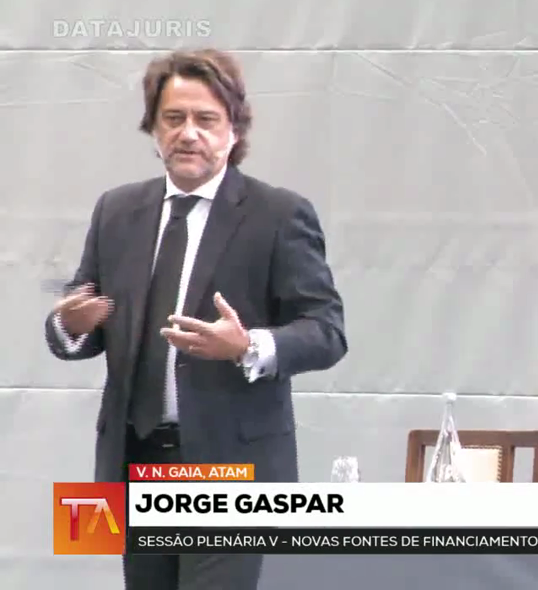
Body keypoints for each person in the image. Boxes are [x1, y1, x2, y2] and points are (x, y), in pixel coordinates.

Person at [43, 48, 347, 590]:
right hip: (135, 462)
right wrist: (71, 325)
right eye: (173, 118)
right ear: (153, 128)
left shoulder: (278, 214)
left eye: (206, 119)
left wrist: (247, 346)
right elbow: (75, 317)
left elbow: (326, 331)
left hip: (234, 471)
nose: (189, 134)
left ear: (234, 130)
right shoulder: (116, 211)